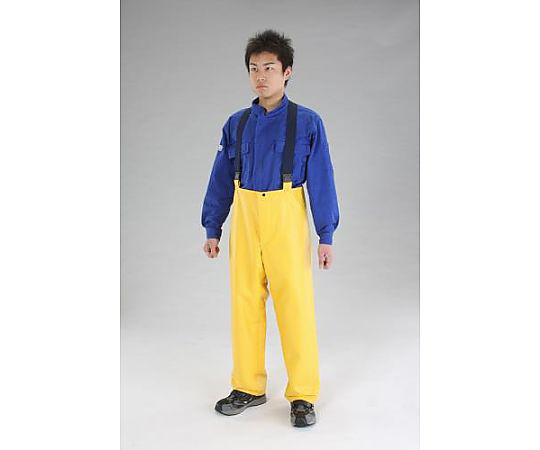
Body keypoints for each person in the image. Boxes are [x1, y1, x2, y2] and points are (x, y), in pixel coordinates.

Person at [201, 29, 339, 427]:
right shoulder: (236, 123)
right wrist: (213, 227)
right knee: (244, 302)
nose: (261, 76)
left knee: (295, 305)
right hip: (246, 217)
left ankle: (303, 395)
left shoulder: (307, 122)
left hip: (286, 216)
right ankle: (248, 386)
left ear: (287, 72)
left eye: (270, 68)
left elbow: (322, 179)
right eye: (254, 68)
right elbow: (220, 177)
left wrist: (326, 235)